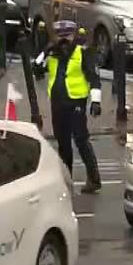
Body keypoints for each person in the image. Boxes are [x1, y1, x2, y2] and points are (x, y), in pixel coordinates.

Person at [34, 20, 102, 193]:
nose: (64, 40)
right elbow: (36, 69)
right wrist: (45, 51)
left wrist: (96, 101)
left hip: (76, 102)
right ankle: (67, 179)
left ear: (74, 36)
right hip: (57, 102)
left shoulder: (82, 53)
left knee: (81, 139)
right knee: (62, 142)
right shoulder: (52, 55)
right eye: (60, 36)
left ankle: (94, 179)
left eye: (67, 36)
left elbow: (94, 78)